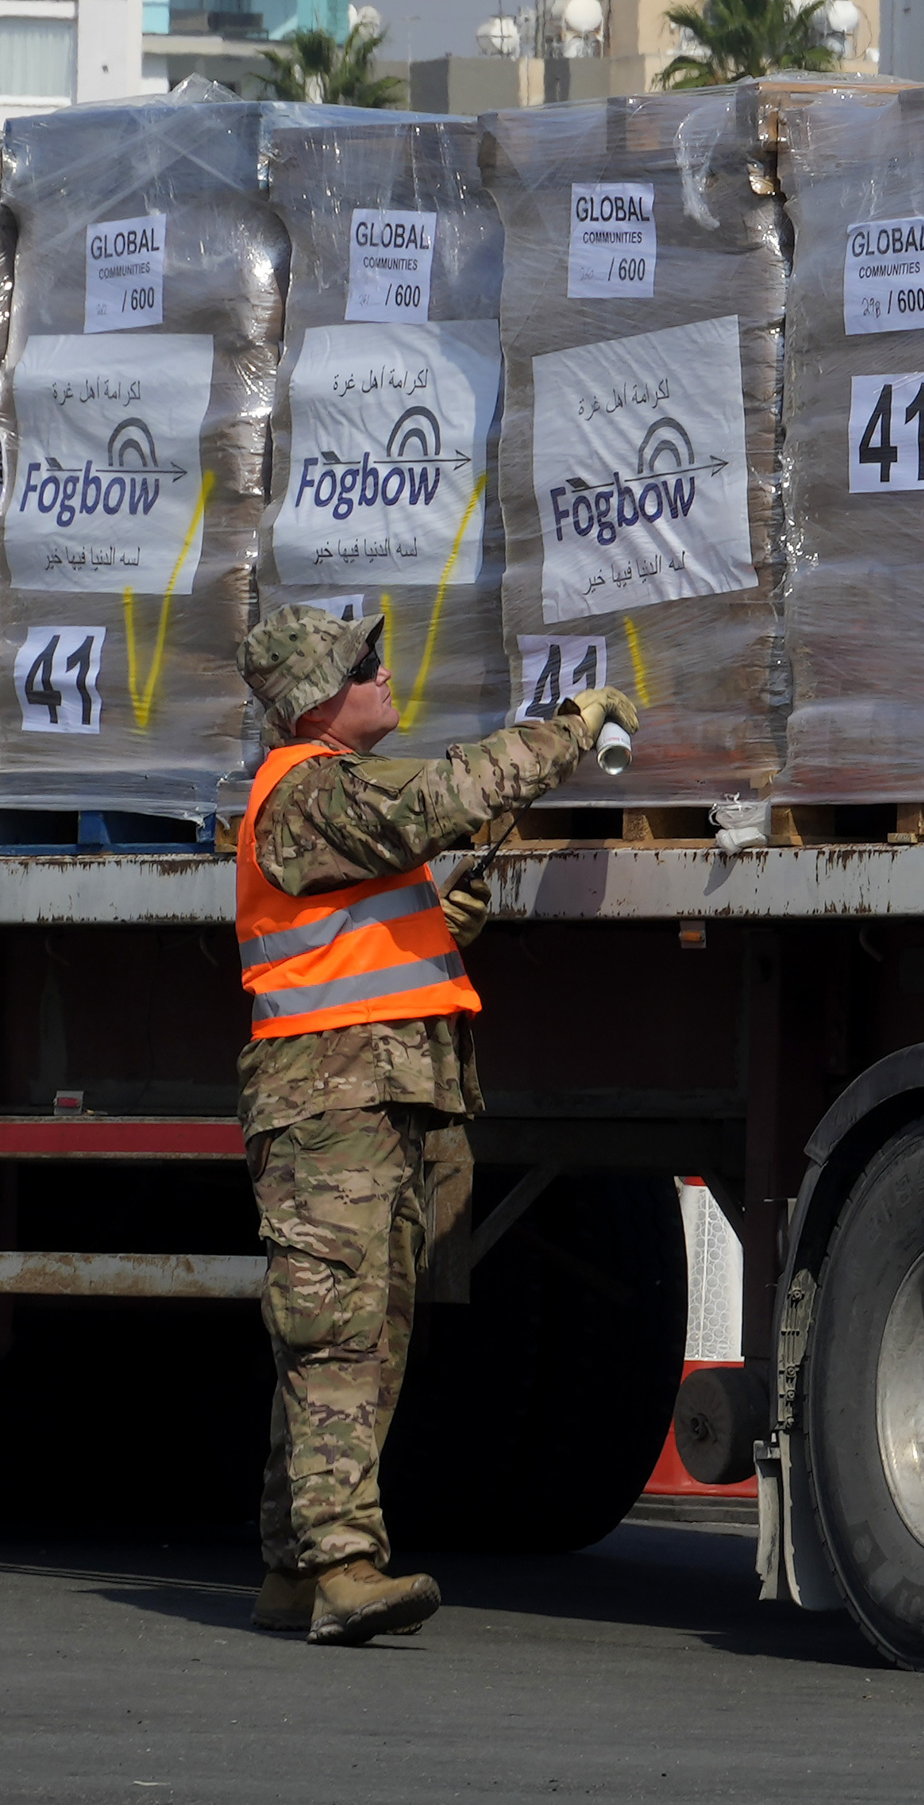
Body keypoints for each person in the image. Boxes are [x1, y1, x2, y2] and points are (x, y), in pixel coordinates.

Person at [232, 603, 638, 1645]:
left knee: (357, 1329)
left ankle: (292, 1561)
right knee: (341, 1336)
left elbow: (353, 934)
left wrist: (427, 918)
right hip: (332, 1105)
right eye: (363, 663)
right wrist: (569, 727)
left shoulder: (331, 808)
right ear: (321, 695)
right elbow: (445, 797)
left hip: (363, 1096)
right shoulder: (309, 793)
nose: (382, 671)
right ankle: (342, 1565)